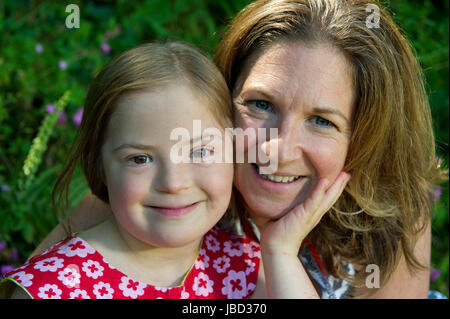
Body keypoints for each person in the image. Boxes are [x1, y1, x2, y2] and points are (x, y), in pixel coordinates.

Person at [24, 0, 447, 298]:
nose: (277, 150)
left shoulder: (391, 209)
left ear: (364, 136)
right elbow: (46, 280)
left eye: (322, 121)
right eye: (261, 105)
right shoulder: (163, 189)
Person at [0, 42, 265, 299]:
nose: (173, 183)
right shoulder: (52, 287)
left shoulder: (256, 267)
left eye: (199, 152)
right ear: (98, 165)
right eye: (140, 159)